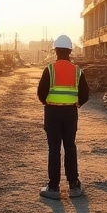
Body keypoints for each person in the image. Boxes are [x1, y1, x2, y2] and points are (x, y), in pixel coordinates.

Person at [36, 34, 89, 199]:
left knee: (54, 149)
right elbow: (85, 94)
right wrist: (77, 104)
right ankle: (74, 184)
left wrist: (48, 103)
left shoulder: (50, 69)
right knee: (70, 147)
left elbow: (41, 93)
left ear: (56, 51)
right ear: (70, 51)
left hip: (52, 113)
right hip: (70, 113)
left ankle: (53, 187)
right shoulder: (77, 71)